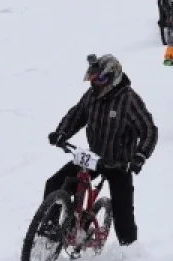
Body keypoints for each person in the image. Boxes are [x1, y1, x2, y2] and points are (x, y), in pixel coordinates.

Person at [46, 55, 157, 247]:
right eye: (93, 79)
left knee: (123, 212)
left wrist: (139, 157)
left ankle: (129, 253)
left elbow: (148, 130)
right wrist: (62, 133)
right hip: (93, 157)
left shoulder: (128, 100)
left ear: (114, 76)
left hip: (118, 164)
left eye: (101, 79)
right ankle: (51, 231)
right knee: (55, 183)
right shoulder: (92, 96)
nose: (96, 84)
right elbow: (77, 114)